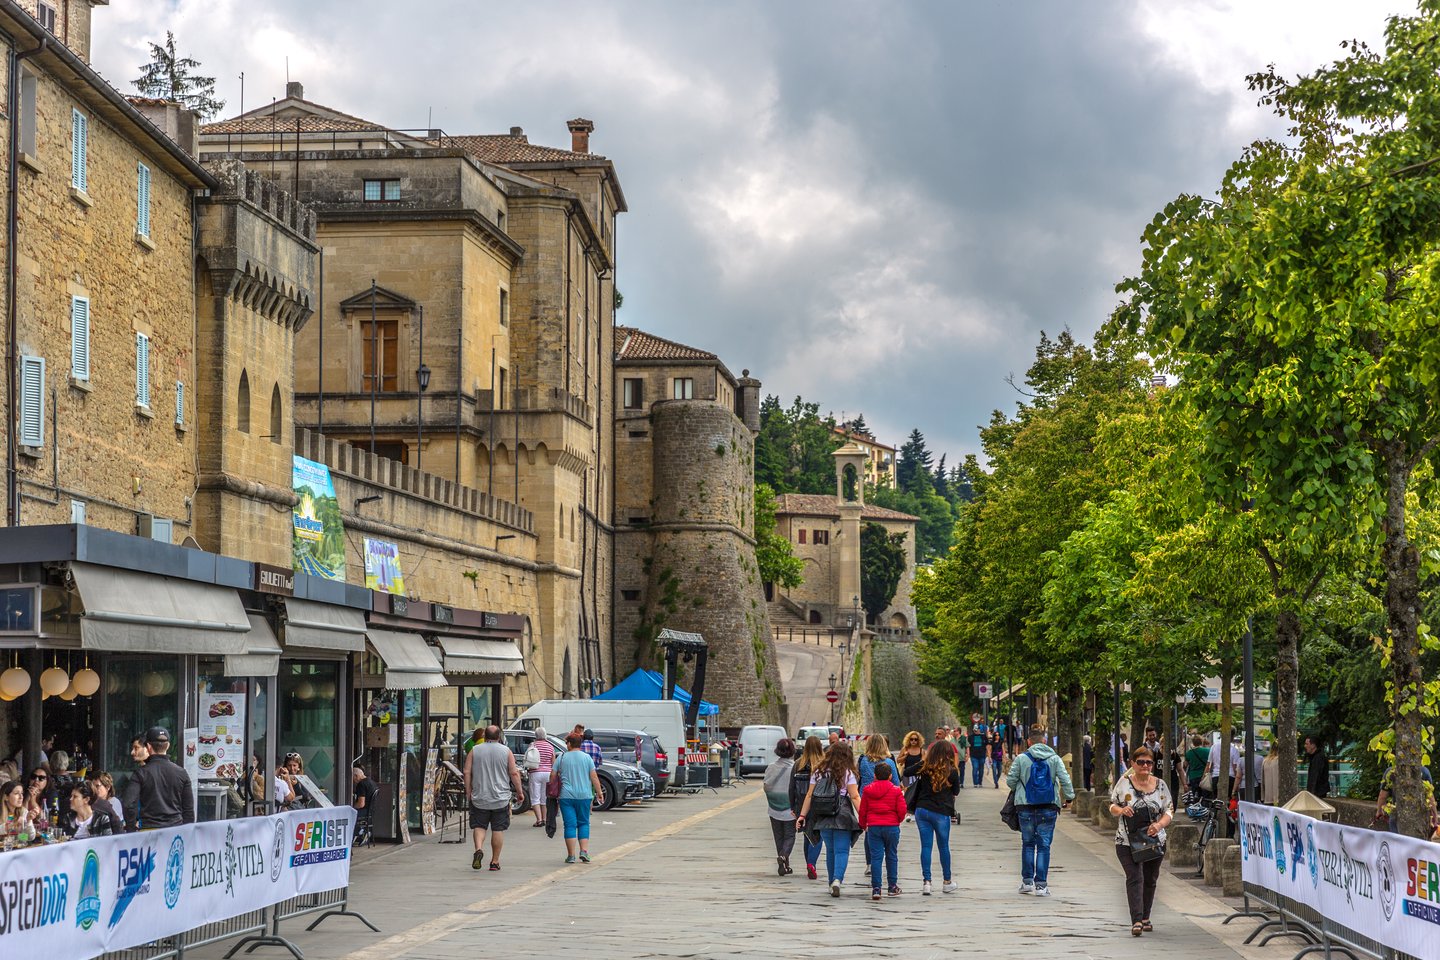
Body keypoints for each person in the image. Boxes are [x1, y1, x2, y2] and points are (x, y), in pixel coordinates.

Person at [1108, 746, 1174, 936]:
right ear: (1133, 764)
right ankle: (1136, 920)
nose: (1145, 766)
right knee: (1135, 877)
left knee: (1150, 879)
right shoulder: (1124, 783)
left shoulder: (1160, 785)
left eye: (1149, 762)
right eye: (1141, 762)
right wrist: (1121, 811)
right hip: (1126, 841)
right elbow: (1112, 804)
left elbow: (1169, 810)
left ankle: (1145, 917)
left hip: (1154, 839)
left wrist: (1160, 825)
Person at [1006, 722, 1075, 897]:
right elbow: (1065, 780)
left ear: (1029, 741)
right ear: (1044, 741)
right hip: (1048, 806)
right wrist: (1069, 797)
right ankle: (1041, 885)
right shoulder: (1055, 759)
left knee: (1028, 844)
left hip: (1025, 806)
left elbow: (1010, 781)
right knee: (1044, 846)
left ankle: (1027, 882)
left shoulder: (1021, 758)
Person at [797, 740, 862, 897]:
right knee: (841, 850)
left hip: (823, 815)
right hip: (843, 815)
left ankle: (831, 882)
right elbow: (854, 796)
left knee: (831, 850)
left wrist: (802, 815)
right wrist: (864, 816)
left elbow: (810, 795)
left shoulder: (818, 771)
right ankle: (837, 880)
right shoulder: (848, 773)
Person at [463, 724, 523, 871]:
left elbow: (466, 771)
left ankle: (478, 849)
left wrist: (468, 790)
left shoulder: (475, 750)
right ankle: (494, 862)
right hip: (500, 798)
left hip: (479, 797)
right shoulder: (506, 751)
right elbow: (514, 773)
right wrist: (519, 792)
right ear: (498, 737)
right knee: (497, 829)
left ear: (485, 736)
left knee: (479, 826)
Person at [909, 739, 960, 895]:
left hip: (922, 810)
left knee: (926, 846)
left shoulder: (924, 768)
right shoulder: (952, 771)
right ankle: (946, 881)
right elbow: (956, 791)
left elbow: (906, 772)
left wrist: (923, 761)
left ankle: (927, 882)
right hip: (941, 812)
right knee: (943, 846)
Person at [121, 728, 195, 831]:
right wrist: (187, 832)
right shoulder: (182, 773)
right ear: (168, 746)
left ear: (149, 747)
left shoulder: (140, 773)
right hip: (176, 831)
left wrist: (131, 828)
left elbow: (128, 803)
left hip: (149, 831)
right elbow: (188, 810)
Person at [554, 731, 604, 863]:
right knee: (583, 823)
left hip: (566, 796)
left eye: (566, 742)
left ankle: (571, 856)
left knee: (570, 825)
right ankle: (584, 852)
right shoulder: (587, 758)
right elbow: (594, 776)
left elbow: (551, 777)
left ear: (570, 743)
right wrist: (599, 792)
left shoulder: (562, 757)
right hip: (584, 796)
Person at [859, 762, 906, 900]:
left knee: (876, 858)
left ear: (874, 776)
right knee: (892, 855)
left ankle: (876, 888)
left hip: (873, 827)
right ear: (890, 776)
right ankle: (892, 886)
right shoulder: (896, 790)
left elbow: (863, 810)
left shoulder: (867, 790)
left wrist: (863, 825)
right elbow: (902, 810)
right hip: (891, 826)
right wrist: (897, 820)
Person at [856, 734, 900, 877]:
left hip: (867, 799)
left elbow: (858, 778)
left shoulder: (862, 760)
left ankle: (870, 863)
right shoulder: (889, 762)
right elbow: (897, 785)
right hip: (887, 802)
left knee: (869, 833)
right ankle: (889, 867)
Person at [790, 736, 826, 879]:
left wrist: (792, 805)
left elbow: (791, 787)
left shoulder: (798, 764)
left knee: (806, 835)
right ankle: (812, 863)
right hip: (820, 804)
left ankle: (809, 865)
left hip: (801, 804)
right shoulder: (824, 764)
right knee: (818, 835)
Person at [763, 738, 798, 876]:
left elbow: (766, 786)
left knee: (778, 837)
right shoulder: (795, 767)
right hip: (790, 809)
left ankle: (784, 864)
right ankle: (783, 857)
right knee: (790, 835)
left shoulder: (771, 767)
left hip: (773, 808)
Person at [527, 726, 556, 827]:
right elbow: (553, 762)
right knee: (544, 798)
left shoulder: (532, 745)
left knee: (535, 797)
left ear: (536, 735)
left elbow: (528, 759)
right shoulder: (550, 746)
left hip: (535, 773)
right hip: (547, 774)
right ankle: (544, 819)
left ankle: (539, 820)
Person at [968, 715, 990, 787]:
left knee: (981, 770)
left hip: (982, 755)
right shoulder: (970, 737)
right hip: (974, 756)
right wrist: (967, 754)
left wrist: (989, 755)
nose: (977, 731)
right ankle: (975, 783)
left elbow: (987, 746)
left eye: (978, 729)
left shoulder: (983, 737)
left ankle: (980, 782)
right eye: (976, 729)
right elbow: (968, 746)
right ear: (974, 730)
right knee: (975, 768)